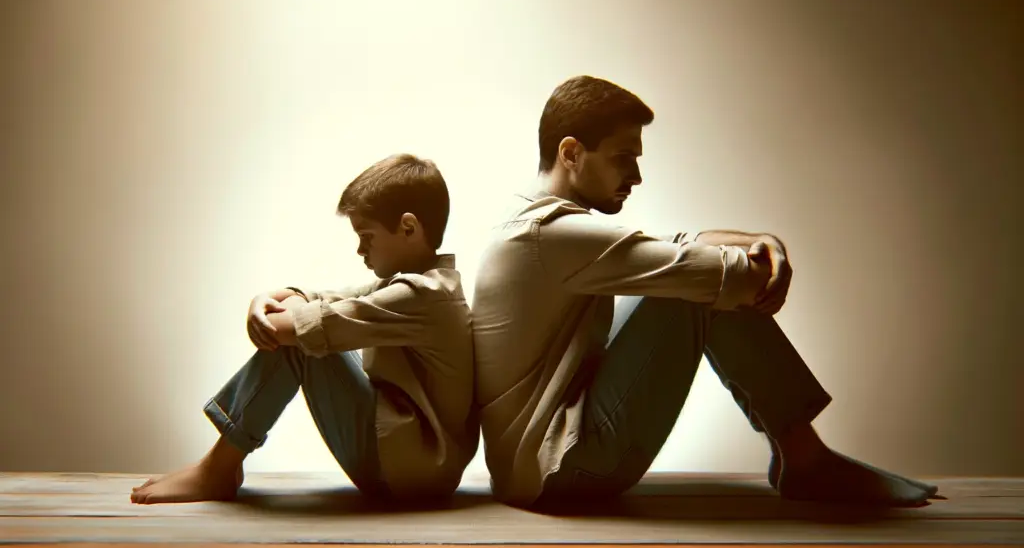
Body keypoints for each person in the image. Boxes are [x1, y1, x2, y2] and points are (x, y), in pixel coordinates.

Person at [470, 75, 939, 510]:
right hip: (565, 474)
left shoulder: (532, 225)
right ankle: (807, 459)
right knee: (694, 286)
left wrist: (764, 243)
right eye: (622, 158)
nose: (635, 176)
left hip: (537, 471)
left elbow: (678, 248)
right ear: (571, 153)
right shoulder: (554, 236)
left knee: (684, 277)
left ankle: (806, 458)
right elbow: (723, 275)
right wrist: (758, 263)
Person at [130, 154, 478, 504]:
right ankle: (221, 464)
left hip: (407, 474)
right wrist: (267, 297)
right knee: (307, 329)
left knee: (303, 341)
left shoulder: (421, 296)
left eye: (367, 236)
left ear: (407, 228)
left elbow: (294, 327)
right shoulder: (422, 285)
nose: (360, 249)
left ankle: (218, 470)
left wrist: (280, 313)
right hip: (413, 466)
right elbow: (331, 298)